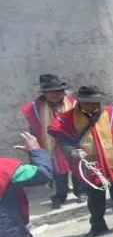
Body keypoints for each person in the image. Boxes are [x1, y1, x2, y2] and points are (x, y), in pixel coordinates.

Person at [48, 86, 113, 237]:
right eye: (88, 103)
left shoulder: (112, 112)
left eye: (95, 102)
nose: (92, 106)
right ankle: (98, 225)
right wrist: (72, 152)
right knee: (95, 198)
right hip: (89, 167)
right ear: (80, 102)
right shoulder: (67, 119)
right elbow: (63, 142)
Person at [20, 74, 82, 209]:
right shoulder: (35, 109)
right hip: (50, 144)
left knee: (78, 167)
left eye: (57, 91)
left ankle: (81, 192)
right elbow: (34, 128)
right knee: (57, 173)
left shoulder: (74, 103)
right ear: (44, 94)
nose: (54, 94)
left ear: (63, 91)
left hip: (72, 141)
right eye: (49, 92)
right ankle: (59, 196)